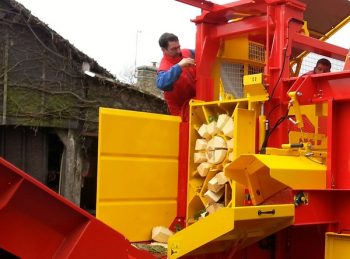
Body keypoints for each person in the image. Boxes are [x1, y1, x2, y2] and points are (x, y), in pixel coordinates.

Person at [156, 33, 196, 121]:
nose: (178, 51)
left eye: (179, 47)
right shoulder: (164, 66)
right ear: (163, 50)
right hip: (182, 114)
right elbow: (161, 83)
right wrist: (179, 66)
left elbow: (203, 50)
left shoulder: (187, 52)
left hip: (197, 103)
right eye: (174, 49)